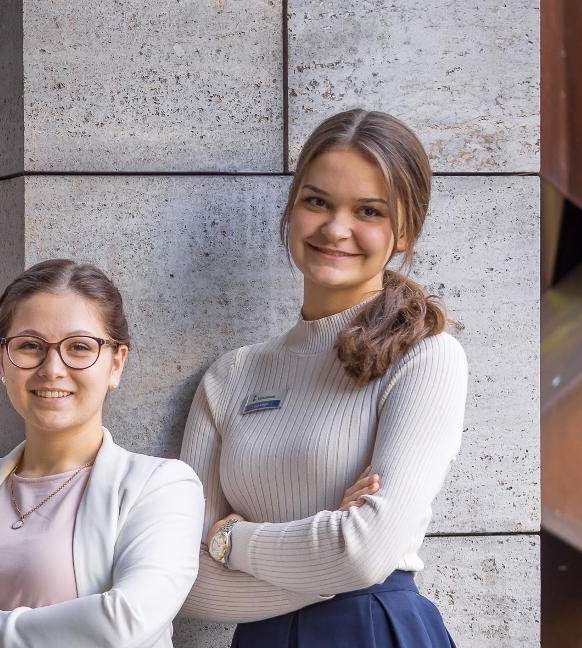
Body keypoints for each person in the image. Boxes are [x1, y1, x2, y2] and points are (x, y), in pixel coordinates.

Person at [177, 109, 465, 647]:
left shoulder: (426, 359)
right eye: (317, 202)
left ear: (404, 230)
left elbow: (367, 552)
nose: (336, 229)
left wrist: (230, 539)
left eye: (368, 211)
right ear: (291, 210)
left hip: (372, 630)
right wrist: (328, 565)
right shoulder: (230, 377)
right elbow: (186, 580)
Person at [0, 259, 205, 648]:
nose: (52, 368)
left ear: (116, 363)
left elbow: (123, 623)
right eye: (30, 346)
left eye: (79, 347)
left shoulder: (161, 489)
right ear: (1, 359)